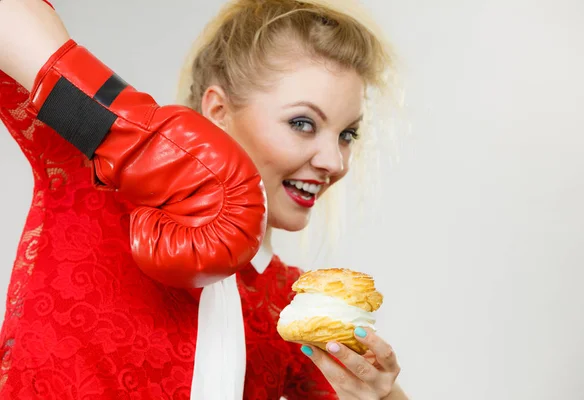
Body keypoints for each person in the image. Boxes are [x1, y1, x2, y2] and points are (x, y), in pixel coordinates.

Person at [0, 0, 409, 399]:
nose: (334, 161)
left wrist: (382, 396)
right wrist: (126, 135)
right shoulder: (100, 180)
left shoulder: (291, 310)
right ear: (217, 110)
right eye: (302, 123)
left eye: (347, 135)